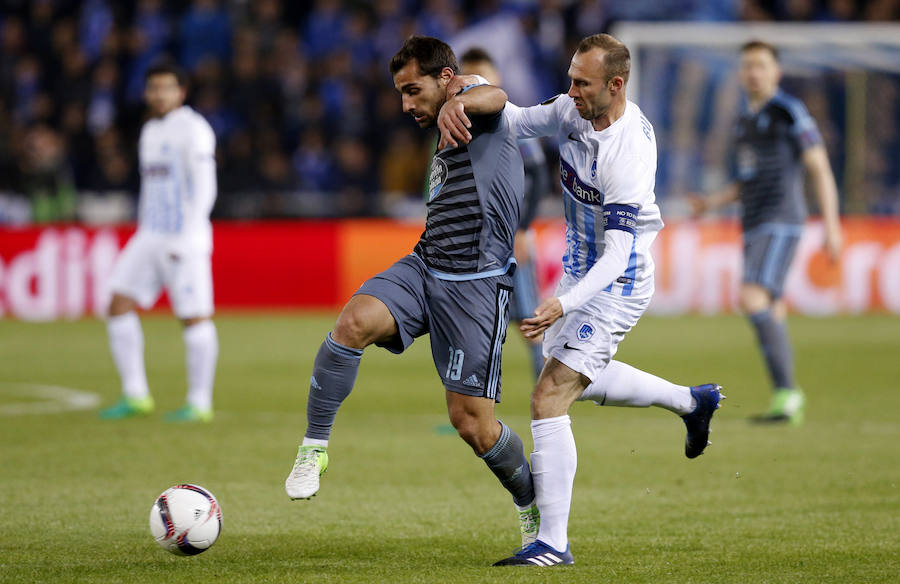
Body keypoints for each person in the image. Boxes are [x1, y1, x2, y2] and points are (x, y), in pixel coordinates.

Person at [440, 33, 723, 567]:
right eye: (570, 78)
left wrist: (564, 305)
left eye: (582, 82)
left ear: (616, 86)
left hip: (616, 283)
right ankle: (692, 401)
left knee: (549, 396)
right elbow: (518, 120)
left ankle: (552, 543)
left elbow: (619, 253)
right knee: (575, 376)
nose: (570, 91)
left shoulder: (627, 153)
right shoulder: (574, 111)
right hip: (578, 272)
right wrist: (466, 93)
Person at [284, 36, 540, 547]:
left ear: (445, 79)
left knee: (472, 425)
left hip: (476, 286)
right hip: (425, 267)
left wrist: (462, 99)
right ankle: (314, 447)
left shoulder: (476, 104)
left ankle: (534, 506)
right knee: (352, 322)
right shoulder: (441, 119)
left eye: (412, 90)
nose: (405, 104)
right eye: (400, 93)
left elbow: (496, 96)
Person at [690, 40, 842, 425]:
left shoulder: (788, 112)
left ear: (776, 72)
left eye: (761, 65)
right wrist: (711, 203)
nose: (753, 72)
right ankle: (785, 399)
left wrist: (832, 223)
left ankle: (790, 392)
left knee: (752, 296)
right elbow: (747, 181)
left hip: (781, 219)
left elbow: (819, 167)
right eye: (748, 66)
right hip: (754, 221)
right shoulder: (746, 122)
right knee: (770, 306)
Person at [98, 62, 219, 423]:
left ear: (181, 92)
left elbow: (205, 186)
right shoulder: (150, 130)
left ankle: (199, 402)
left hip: (185, 237)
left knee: (193, 316)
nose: (159, 94)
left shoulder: (194, 130)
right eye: (153, 88)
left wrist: (189, 234)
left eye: (167, 88)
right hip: (149, 233)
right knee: (118, 301)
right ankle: (136, 395)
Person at [460, 47, 548, 382]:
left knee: (528, 318)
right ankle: (472, 394)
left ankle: (547, 389)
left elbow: (538, 173)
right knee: (474, 319)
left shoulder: (506, 119)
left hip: (510, 236)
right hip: (474, 239)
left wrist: (523, 228)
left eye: (481, 76)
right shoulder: (456, 119)